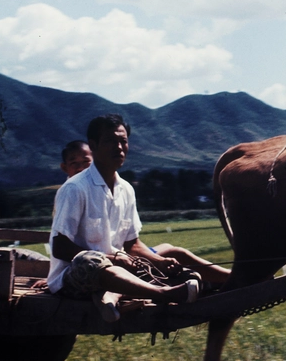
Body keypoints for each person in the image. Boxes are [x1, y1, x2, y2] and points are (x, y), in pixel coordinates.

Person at [48, 114, 228, 320]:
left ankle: (233, 279)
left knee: (168, 256)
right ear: (93, 146)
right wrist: (113, 258)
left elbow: (132, 244)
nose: (118, 147)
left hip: (117, 268)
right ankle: (163, 293)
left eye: (123, 141)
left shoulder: (126, 189)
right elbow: (60, 247)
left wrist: (159, 261)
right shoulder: (75, 188)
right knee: (89, 261)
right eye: (110, 141)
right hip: (74, 277)